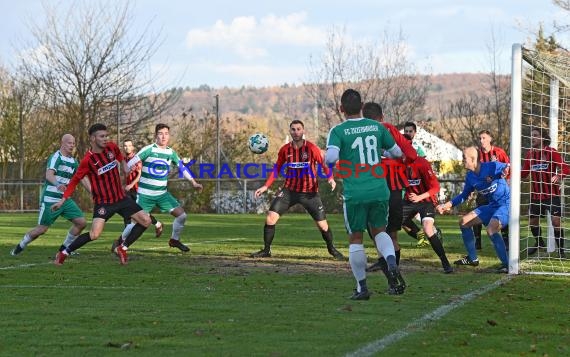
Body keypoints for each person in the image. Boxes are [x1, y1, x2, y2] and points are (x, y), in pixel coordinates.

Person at [325, 89, 406, 299]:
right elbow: (397, 153)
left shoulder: (338, 130)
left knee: (356, 238)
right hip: (379, 190)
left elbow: (331, 157)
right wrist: (381, 152)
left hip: (355, 193)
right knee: (380, 231)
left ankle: (362, 287)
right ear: (362, 107)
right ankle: (390, 260)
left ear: (341, 109)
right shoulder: (377, 127)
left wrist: (333, 157)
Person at [52, 123, 151, 265]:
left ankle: (122, 248)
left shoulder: (111, 147)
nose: (106, 139)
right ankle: (64, 253)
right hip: (103, 202)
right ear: (92, 138)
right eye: (102, 136)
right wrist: (62, 200)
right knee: (94, 234)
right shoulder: (88, 160)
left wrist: (123, 163)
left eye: (106, 136)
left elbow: (118, 154)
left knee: (146, 221)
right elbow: (74, 181)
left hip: (120, 198)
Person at [251, 119, 343, 260]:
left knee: (323, 226)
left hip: (310, 193)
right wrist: (266, 186)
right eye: (293, 129)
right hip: (289, 191)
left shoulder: (312, 148)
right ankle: (266, 250)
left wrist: (330, 178)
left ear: (303, 131)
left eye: (298, 129)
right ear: (290, 131)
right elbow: (276, 169)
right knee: (270, 217)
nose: (296, 132)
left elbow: (324, 165)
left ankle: (332, 250)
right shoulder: (285, 150)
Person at [119, 124, 203, 253]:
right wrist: (123, 175)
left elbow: (182, 167)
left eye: (166, 133)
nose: (163, 136)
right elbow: (129, 163)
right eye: (160, 133)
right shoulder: (149, 149)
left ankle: (174, 240)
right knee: (136, 223)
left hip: (162, 194)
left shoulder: (170, 152)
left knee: (182, 216)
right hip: (145, 195)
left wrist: (193, 182)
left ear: (169, 136)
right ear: (155, 135)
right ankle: (119, 244)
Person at [360, 102, 418, 274]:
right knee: (390, 233)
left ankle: (385, 262)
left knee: (374, 228)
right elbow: (412, 155)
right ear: (382, 117)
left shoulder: (360, 132)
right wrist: (395, 160)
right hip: (393, 189)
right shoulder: (390, 129)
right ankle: (391, 268)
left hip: (372, 186)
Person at [11, 134, 90, 256]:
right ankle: (21, 245)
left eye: (73, 143)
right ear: (62, 143)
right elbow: (49, 175)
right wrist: (58, 184)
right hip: (50, 199)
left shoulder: (74, 161)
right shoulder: (55, 157)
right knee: (42, 229)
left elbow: (82, 177)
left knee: (81, 223)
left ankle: (65, 249)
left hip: (64, 199)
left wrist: (93, 192)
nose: (72, 145)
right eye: (69, 143)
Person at [437, 147, 510, 273]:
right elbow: (464, 195)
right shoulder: (470, 176)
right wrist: (447, 205)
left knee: (491, 229)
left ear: (473, 159)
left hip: (506, 205)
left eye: (464, 158)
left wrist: (506, 170)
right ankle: (472, 258)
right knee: (464, 222)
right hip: (492, 206)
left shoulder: (491, 166)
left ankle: (507, 264)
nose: (462, 160)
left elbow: (507, 166)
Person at [400, 135, 453, 273]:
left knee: (428, 228)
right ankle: (392, 264)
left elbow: (435, 188)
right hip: (409, 201)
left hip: (425, 201)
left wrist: (419, 197)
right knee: (395, 223)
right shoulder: (399, 162)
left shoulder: (422, 163)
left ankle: (445, 263)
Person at [521, 128, 570, 257]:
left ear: (543, 138)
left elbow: (565, 167)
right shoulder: (530, 154)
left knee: (556, 222)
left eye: (535, 135)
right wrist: (510, 171)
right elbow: (524, 173)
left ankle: (561, 250)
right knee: (532, 221)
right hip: (536, 196)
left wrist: (559, 176)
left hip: (552, 195)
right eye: (531, 136)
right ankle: (539, 243)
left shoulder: (551, 152)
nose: (533, 138)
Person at [473, 130, 510, 250]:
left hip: (498, 190)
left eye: (484, 138)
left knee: (501, 213)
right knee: (477, 213)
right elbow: (474, 171)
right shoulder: (477, 155)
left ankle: (506, 241)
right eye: (480, 138)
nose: (481, 141)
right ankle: (477, 242)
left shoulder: (499, 152)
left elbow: (508, 167)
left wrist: (506, 179)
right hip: (484, 191)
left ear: (490, 139)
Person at [122, 139, 163, 236]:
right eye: (125, 146)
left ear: (132, 147)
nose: (127, 147)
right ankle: (125, 238)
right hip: (128, 190)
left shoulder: (136, 159)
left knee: (141, 212)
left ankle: (157, 224)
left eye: (129, 145)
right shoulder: (124, 160)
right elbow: (125, 175)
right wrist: (123, 184)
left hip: (138, 190)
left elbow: (139, 174)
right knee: (127, 212)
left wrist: (131, 184)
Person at [402, 121, 432, 248]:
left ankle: (433, 235)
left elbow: (424, 167)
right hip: (403, 188)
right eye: (406, 131)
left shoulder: (418, 148)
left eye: (410, 131)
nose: (408, 133)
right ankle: (421, 236)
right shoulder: (399, 147)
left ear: (415, 133)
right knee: (402, 220)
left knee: (424, 219)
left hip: (417, 190)